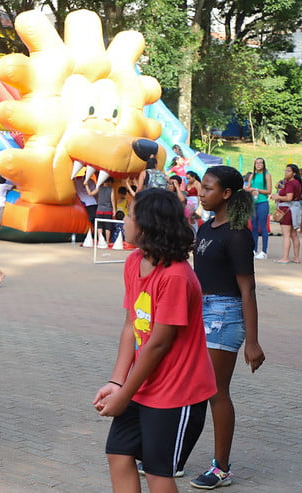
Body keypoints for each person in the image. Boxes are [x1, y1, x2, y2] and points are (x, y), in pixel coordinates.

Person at [93, 188, 215, 493]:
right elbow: (131, 326)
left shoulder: (175, 276)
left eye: (131, 215)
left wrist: (123, 397)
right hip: (141, 385)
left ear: (147, 226)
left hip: (178, 391)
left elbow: (159, 344)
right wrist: (117, 382)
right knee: (118, 455)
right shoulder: (134, 261)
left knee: (158, 473)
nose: (125, 220)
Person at [191, 165, 265, 489]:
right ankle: (173, 455)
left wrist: (253, 341)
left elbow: (247, 290)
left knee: (216, 391)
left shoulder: (237, 235)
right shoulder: (205, 229)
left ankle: (221, 469)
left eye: (207, 188)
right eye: (201, 186)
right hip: (200, 312)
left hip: (225, 314)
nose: (200, 192)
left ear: (226, 194)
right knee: (195, 388)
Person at [270, 163, 302, 264]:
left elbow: (289, 197)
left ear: (293, 173)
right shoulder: (297, 182)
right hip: (294, 209)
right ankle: (296, 257)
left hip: (287, 210)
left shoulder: (290, 183)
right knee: (294, 235)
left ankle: (285, 257)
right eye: (285, 170)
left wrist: (277, 197)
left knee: (286, 235)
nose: (286, 172)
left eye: (288, 171)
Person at [246, 158, 272, 259]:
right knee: (254, 227)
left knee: (263, 227)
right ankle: (254, 249)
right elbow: (248, 187)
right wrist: (247, 189)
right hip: (253, 203)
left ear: (264, 164)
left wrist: (256, 189)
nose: (258, 164)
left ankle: (264, 251)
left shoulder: (267, 175)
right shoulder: (252, 175)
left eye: (260, 163)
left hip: (262, 202)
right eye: (256, 163)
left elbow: (269, 191)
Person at [85, 175, 116, 245]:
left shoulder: (99, 188)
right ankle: (107, 241)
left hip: (99, 210)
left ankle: (100, 241)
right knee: (108, 226)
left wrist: (86, 185)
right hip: (108, 210)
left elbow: (90, 193)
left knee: (99, 226)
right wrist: (114, 209)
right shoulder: (111, 190)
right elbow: (112, 200)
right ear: (109, 182)